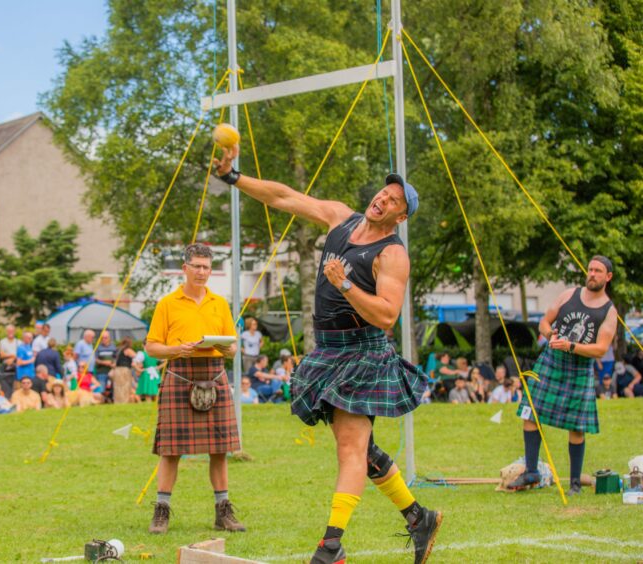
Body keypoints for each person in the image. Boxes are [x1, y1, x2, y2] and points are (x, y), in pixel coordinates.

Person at [214, 148, 440, 564]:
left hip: (363, 353)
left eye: (394, 200)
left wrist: (347, 285)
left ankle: (330, 547)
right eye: (383, 192)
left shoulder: (393, 254)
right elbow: (285, 197)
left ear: (401, 216)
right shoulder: (341, 218)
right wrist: (233, 177)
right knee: (362, 449)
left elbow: (388, 315)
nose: (383, 199)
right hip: (329, 350)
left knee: (351, 451)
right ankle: (418, 517)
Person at [144, 243, 245, 535]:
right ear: (185, 268)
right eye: (196, 266)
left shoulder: (219, 303)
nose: (201, 272)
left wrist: (227, 349)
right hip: (180, 373)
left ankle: (223, 512)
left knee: (220, 449)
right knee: (171, 450)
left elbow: (233, 345)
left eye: (206, 267)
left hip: (214, 373)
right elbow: (151, 346)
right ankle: (161, 512)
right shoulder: (167, 303)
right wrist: (177, 349)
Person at [509, 256, 618, 495]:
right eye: (590, 269)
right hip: (552, 361)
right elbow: (544, 323)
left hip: (579, 368)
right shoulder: (569, 295)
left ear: (607, 277)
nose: (592, 274)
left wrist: (570, 346)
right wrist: (551, 336)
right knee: (530, 412)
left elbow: (600, 349)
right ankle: (531, 472)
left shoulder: (609, 311)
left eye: (598, 271)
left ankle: (576, 484)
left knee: (576, 427)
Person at [110, 336, 137, 403]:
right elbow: (137, 357)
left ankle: (118, 401)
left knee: (118, 387)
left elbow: (113, 360)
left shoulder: (117, 349)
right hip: (124, 370)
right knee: (125, 387)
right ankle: (125, 401)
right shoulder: (127, 350)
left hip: (117, 370)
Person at [94, 330, 117, 399]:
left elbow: (116, 358)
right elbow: (95, 360)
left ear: (109, 338)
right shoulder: (98, 347)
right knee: (101, 389)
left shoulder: (113, 347)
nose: (104, 339)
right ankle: (101, 402)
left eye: (105, 338)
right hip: (101, 372)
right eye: (102, 338)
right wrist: (104, 362)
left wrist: (114, 363)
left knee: (113, 388)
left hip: (112, 372)